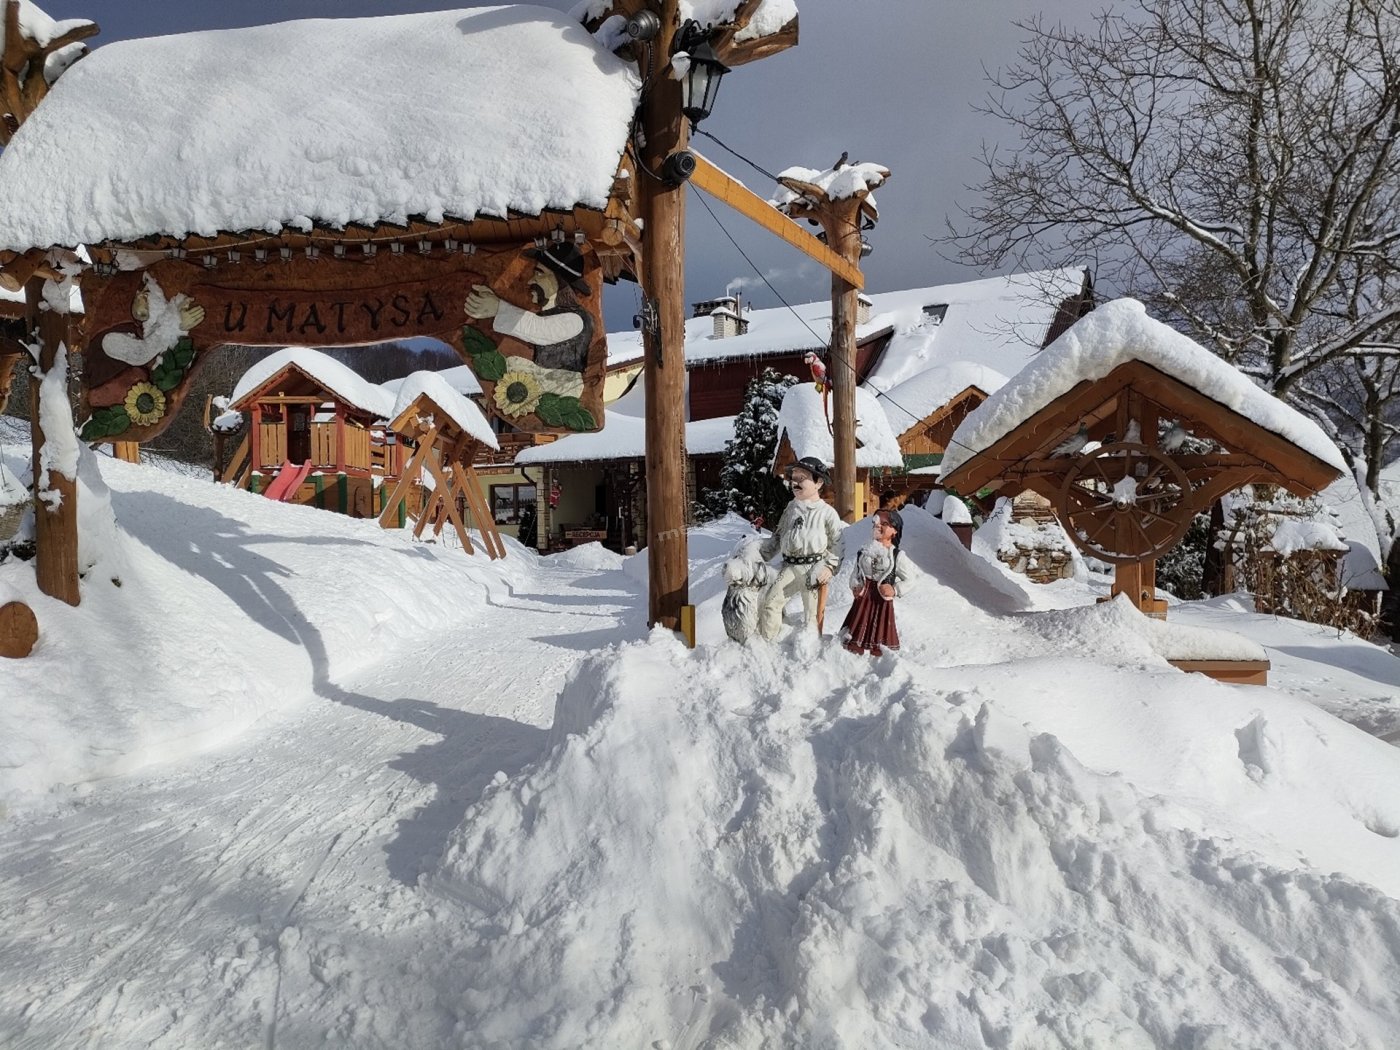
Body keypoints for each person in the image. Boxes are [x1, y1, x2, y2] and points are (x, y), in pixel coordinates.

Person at [756, 457, 844, 639]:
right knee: (771, 602)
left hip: (813, 569)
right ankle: (769, 642)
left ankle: (810, 646)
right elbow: (778, 537)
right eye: (793, 478)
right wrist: (758, 554)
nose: (795, 482)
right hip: (789, 567)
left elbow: (837, 543)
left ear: (818, 483)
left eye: (801, 478)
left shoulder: (827, 513)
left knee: (812, 614)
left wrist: (830, 567)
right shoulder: (790, 509)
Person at [840, 508, 914, 656]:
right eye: (876, 523)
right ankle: (856, 647)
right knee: (860, 620)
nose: (878, 526)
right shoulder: (864, 551)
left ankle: (878, 650)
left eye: (884, 524)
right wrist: (855, 585)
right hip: (864, 596)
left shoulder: (896, 556)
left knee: (879, 624)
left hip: (881, 598)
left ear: (894, 531)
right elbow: (856, 573)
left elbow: (910, 580)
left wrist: (895, 589)